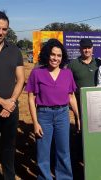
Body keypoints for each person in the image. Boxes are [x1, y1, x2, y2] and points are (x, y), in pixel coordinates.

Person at [25, 39, 80, 180]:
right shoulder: (37, 73)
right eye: (53, 54)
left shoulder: (67, 74)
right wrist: (35, 123)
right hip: (44, 115)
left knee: (63, 151)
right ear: (47, 55)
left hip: (62, 114)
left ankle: (65, 177)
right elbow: (31, 99)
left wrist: (77, 117)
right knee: (43, 152)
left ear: (63, 58)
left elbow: (71, 97)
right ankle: (44, 177)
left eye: (59, 55)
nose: (56, 58)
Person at [0, 11, 25, 180]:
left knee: (8, 150)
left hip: (11, 108)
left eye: (4, 29)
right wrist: (1, 102)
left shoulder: (14, 51)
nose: (0, 32)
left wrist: (11, 102)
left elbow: (20, 79)